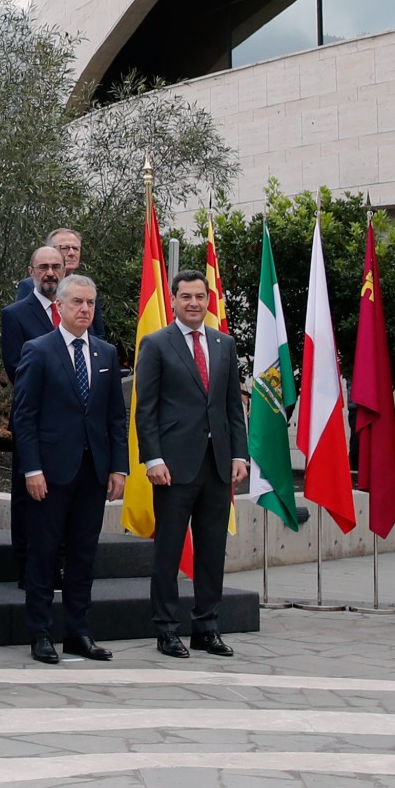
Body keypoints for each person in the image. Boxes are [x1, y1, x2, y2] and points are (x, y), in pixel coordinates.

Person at [13, 274, 128, 665]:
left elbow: (115, 416)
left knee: (83, 554)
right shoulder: (38, 350)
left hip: (93, 471)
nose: (84, 310)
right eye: (77, 302)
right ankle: (40, 632)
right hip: (50, 471)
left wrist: (119, 467)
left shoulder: (106, 353)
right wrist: (31, 469)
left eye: (90, 303)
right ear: (59, 306)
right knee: (44, 555)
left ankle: (78, 631)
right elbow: (24, 416)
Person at [135, 269, 248, 660]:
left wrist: (239, 454)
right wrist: (152, 458)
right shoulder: (156, 344)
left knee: (212, 550)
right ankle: (166, 629)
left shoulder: (224, 344)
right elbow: (144, 408)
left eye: (201, 297)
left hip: (217, 465)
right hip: (173, 467)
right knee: (168, 551)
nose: (195, 303)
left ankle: (207, 627)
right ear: (174, 301)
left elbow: (233, 405)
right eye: (187, 297)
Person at [0, 245, 66, 587]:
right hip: (34, 418)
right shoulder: (15, 314)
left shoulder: (79, 308)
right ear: (31, 272)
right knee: (28, 497)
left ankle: (60, 563)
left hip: (73, 423)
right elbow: (16, 368)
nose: (50, 272)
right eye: (43, 267)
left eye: (56, 266)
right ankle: (27, 567)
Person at [16, 227, 106, 340]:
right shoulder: (30, 286)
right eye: (65, 248)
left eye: (76, 248)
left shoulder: (86, 287)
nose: (71, 253)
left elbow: (98, 332)